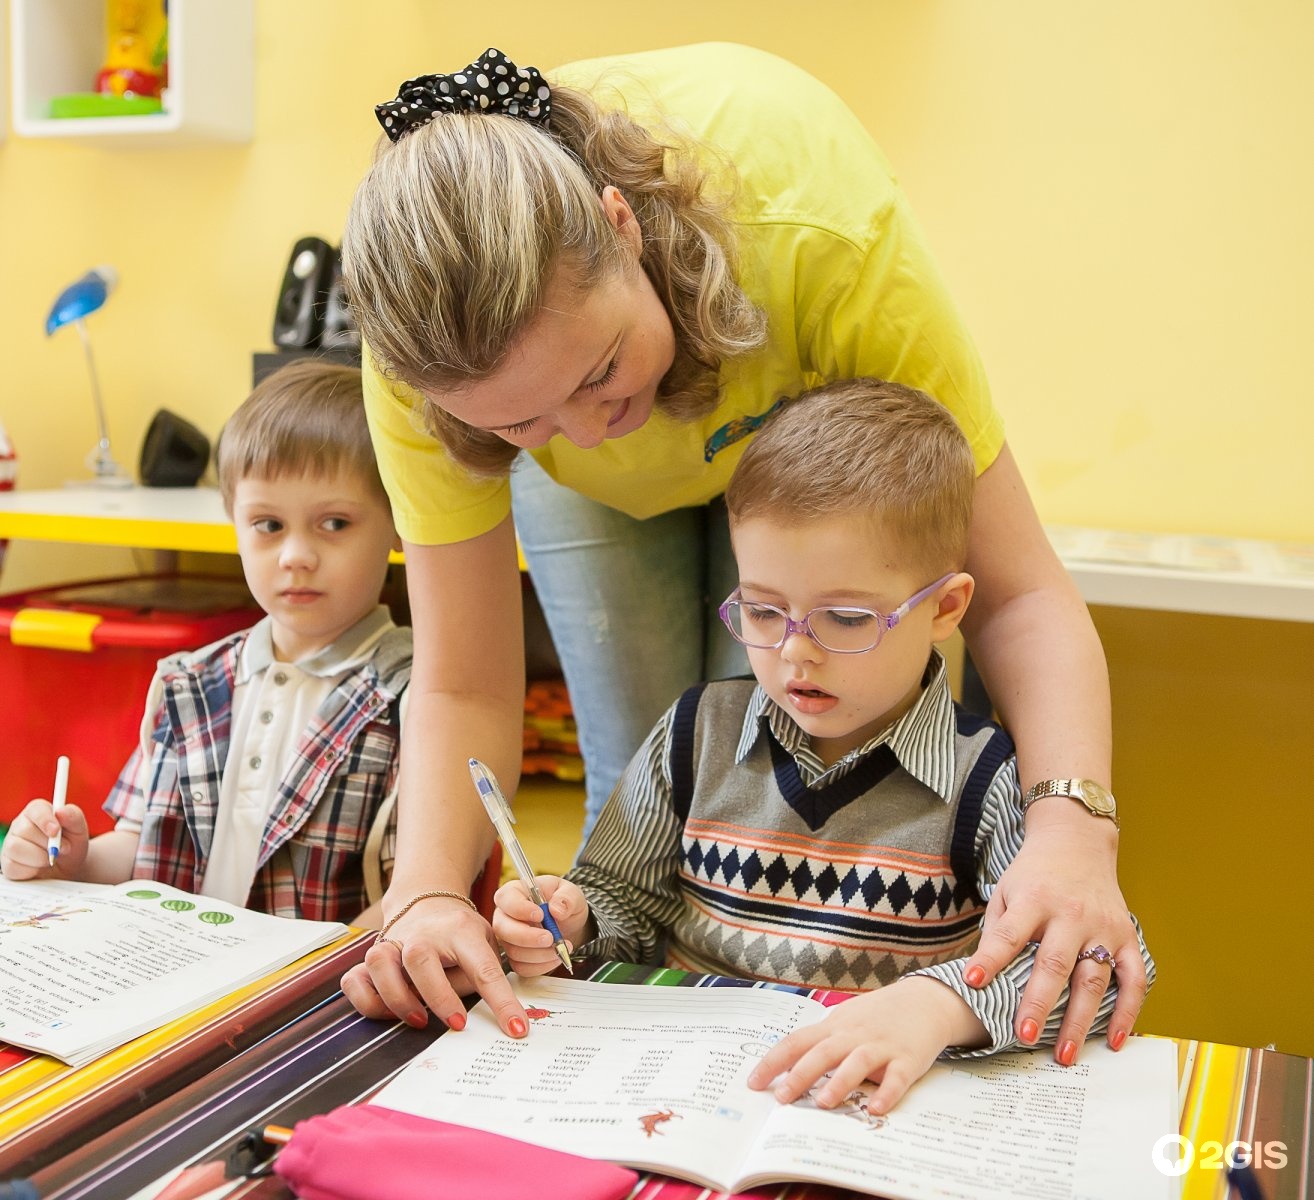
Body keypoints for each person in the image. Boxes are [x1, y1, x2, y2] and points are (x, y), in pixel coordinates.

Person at [340, 43, 1144, 1055]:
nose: (590, 437)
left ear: (620, 227)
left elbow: (1020, 597)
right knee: (657, 785)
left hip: (787, 384)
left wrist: (1071, 830)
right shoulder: (429, 356)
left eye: (598, 374)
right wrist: (421, 894)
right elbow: (464, 682)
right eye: (519, 429)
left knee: (818, 753)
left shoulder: (815, 223)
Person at [493, 378, 1154, 1114]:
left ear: (945, 608)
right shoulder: (691, 735)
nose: (795, 654)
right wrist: (571, 923)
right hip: (683, 1099)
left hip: (869, 1118)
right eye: (764, 610)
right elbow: (624, 910)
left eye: (843, 618)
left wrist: (935, 1010)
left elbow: (1100, 972)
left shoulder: (988, 780)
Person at [0, 360, 410, 926]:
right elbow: (137, 850)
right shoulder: (185, 682)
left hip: (317, 997)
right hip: (175, 975)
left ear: (398, 521)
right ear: (233, 521)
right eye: (268, 525)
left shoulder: (415, 698)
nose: (295, 555)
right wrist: (75, 860)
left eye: (334, 523)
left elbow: (411, 898)